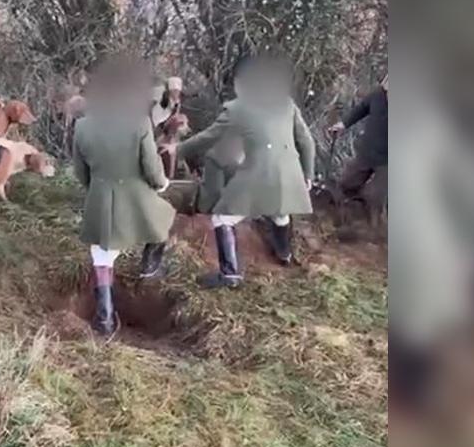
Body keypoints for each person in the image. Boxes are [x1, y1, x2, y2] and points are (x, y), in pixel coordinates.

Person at [163, 54, 316, 287]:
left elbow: (209, 137)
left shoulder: (237, 108)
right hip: (288, 174)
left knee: (221, 218)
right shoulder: (286, 103)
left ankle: (230, 274)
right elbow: (306, 142)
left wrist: (178, 149)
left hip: (258, 174)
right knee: (279, 213)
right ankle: (284, 254)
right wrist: (308, 174)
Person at [72, 57, 176, 335]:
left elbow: (81, 174)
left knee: (102, 259)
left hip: (101, 199)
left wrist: (97, 189)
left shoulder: (82, 126)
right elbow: (152, 167)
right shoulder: (140, 123)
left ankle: (105, 320)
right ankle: (150, 267)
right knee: (164, 220)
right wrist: (161, 183)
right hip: (136, 196)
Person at [329, 75, 388, 203]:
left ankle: (375, 221)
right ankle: (346, 217)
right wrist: (343, 124)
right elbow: (361, 108)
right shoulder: (378, 95)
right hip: (367, 152)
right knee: (345, 185)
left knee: (374, 197)